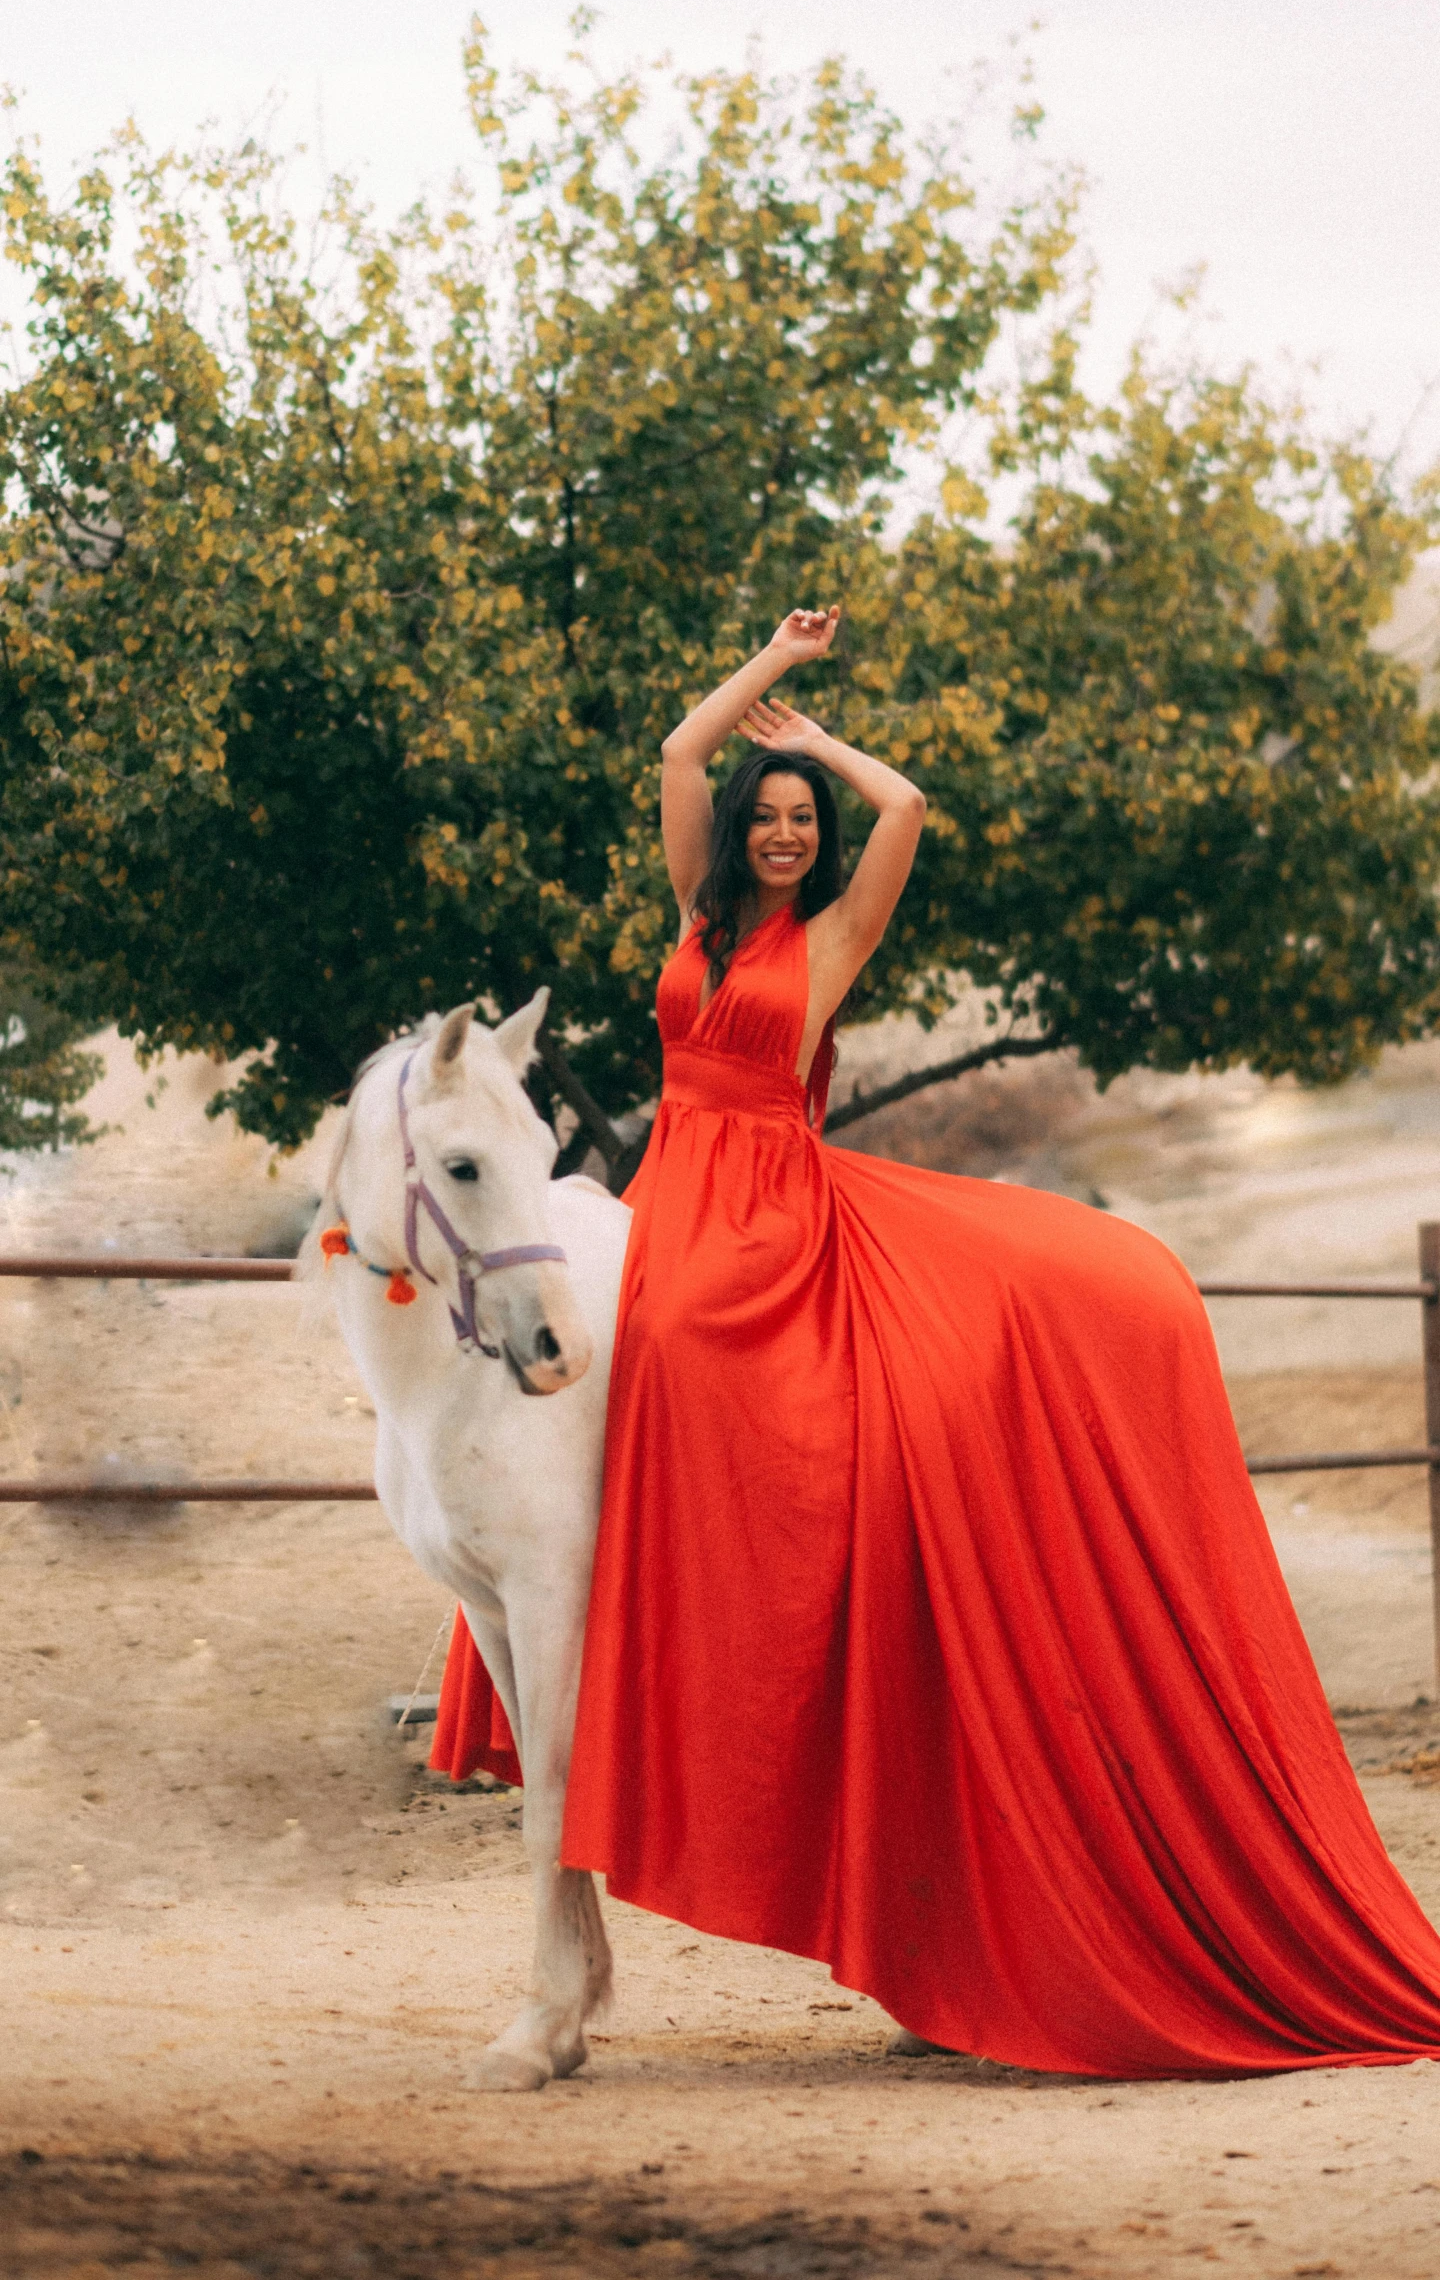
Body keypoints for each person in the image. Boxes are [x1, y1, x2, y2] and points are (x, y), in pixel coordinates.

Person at [437, 608, 1440, 2076]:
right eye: (766, 817)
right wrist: (766, 672)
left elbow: (905, 806)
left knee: (784, 1422)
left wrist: (823, 745)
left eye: (798, 822)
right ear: (732, 834)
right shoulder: (694, 926)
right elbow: (673, 748)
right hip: (676, 1201)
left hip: (772, 1216)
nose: (783, 832)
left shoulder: (827, 935)